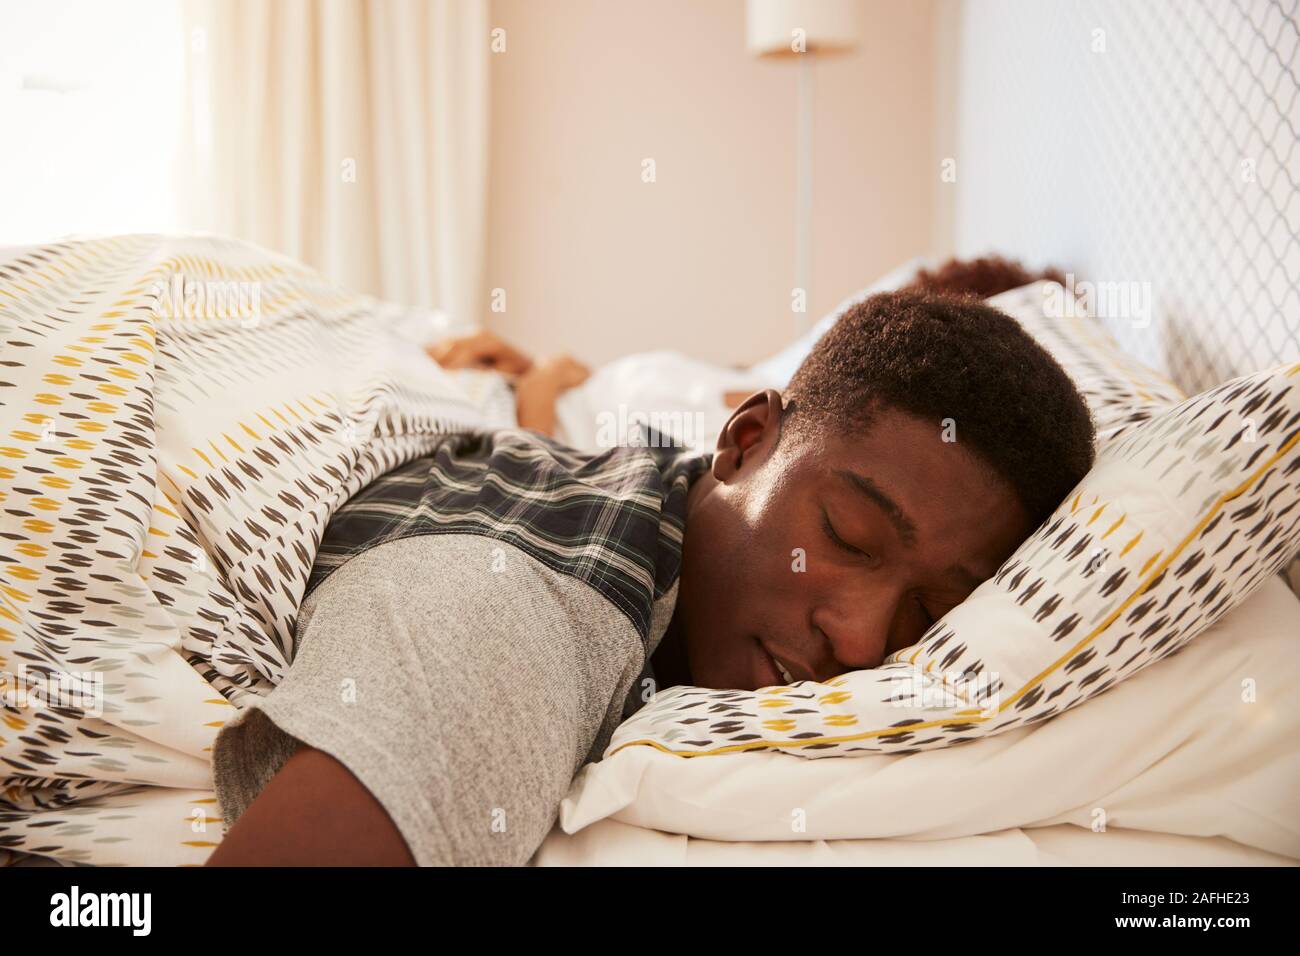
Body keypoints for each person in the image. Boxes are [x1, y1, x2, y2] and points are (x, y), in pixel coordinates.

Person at [206, 283, 1095, 867]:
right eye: (850, 536)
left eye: (932, 611)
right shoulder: (516, 614)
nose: (863, 639)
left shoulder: (664, 495)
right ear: (747, 443)